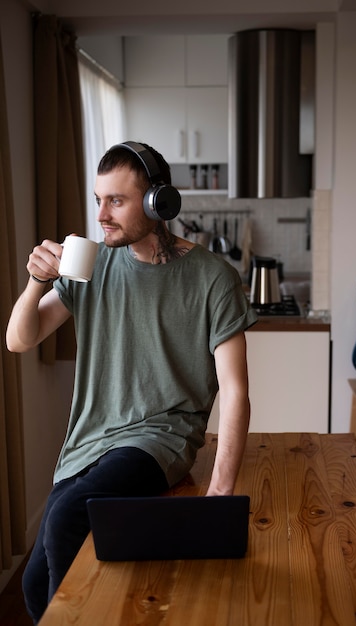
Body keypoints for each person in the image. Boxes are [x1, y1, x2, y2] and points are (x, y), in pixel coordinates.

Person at [6, 141, 257, 624]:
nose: (101, 214)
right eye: (98, 199)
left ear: (157, 202)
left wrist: (220, 492)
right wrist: (37, 280)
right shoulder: (90, 265)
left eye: (116, 201)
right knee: (34, 583)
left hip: (159, 438)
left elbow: (236, 389)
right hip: (89, 439)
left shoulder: (212, 278)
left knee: (64, 520)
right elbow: (21, 339)